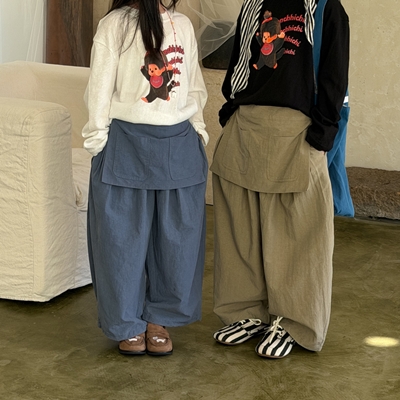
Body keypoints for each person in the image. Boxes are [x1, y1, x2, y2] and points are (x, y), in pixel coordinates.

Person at [210, 0, 349, 358]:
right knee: (239, 230)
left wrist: (322, 133)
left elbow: (334, 74)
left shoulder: (325, 7)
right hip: (246, 124)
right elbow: (240, 62)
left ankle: (293, 322)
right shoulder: (254, 3)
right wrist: (231, 110)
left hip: (298, 130)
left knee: (299, 236)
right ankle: (245, 312)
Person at [82, 0, 209, 356]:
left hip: (179, 142)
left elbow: (194, 86)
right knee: (119, 240)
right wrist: (97, 141)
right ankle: (127, 322)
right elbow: (99, 87)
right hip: (125, 142)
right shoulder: (115, 25)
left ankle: (159, 319)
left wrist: (199, 130)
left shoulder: (182, 25)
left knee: (178, 241)